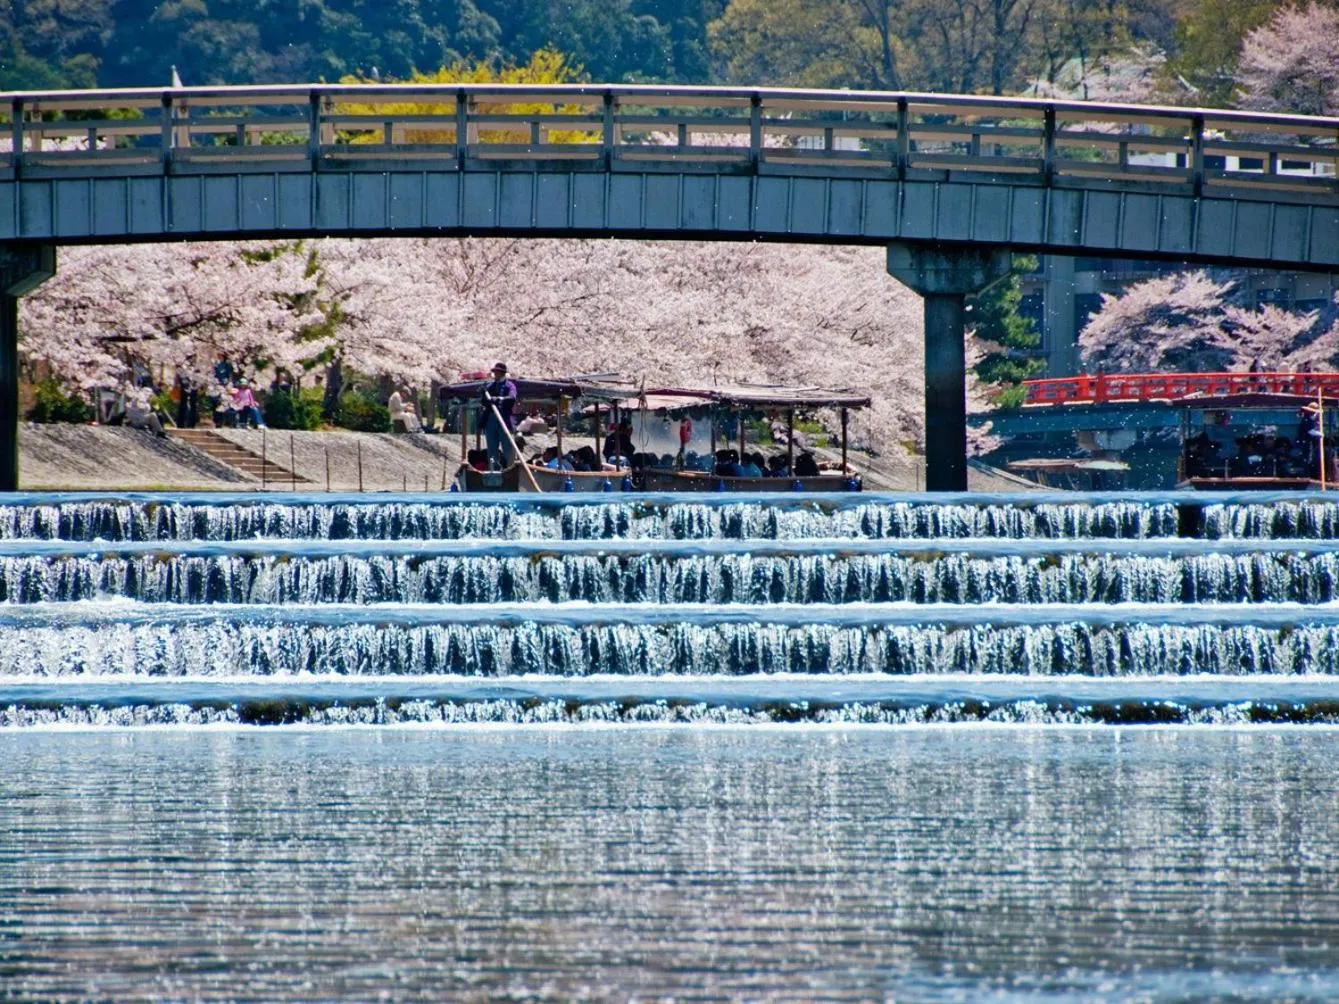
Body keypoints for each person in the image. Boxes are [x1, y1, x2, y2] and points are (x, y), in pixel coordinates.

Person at [480, 362, 518, 469]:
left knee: (508, 448)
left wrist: (499, 399)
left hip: (504, 420)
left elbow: (512, 398)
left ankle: (509, 470)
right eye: (494, 372)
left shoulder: (510, 385)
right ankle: (493, 470)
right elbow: (484, 402)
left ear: (502, 373)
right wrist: (485, 396)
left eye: (496, 372)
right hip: (491, 420)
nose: (494, 374)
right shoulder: (489, 386)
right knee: (492, 449)